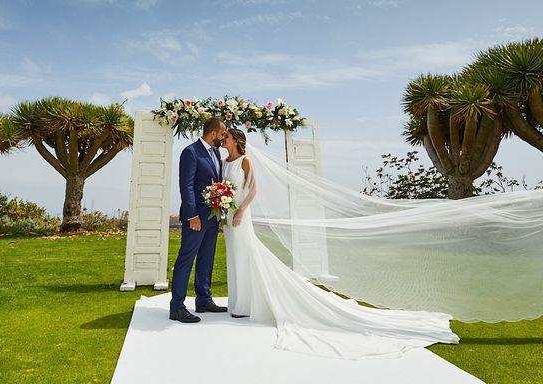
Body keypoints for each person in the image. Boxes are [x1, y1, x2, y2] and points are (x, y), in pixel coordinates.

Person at [220, 128, 459, 359]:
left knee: (247, 254)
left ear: (237, 141)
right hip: (228, 215)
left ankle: (248, 304)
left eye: (226, 136)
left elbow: (253, 190)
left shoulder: (244, 161)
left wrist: (241, 210)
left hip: (241, 214)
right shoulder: (224, 162)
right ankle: (238, 302)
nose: (223, 139)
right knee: (235, 255)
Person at [169, 117, 229, 323]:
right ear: (213, 133)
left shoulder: (216, 152)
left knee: (206, 258)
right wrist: (192, 214)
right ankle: (177, 306)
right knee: (186, 258)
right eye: (222, 134)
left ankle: (203, 300)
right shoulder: (191, 152)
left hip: (212, 217)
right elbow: (186, 186)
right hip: (195, 217)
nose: (224, 138)